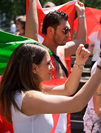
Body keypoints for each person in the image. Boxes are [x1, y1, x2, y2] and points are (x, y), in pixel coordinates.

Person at [0, 42, 101, 133]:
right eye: (48, 63)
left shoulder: (30, 91)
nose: (52, 67)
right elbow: (76, 104)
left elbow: (67, 89)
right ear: (34, 68)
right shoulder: (28, 98)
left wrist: (79, 63)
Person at [26, 0, 86, 132]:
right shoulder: (39, 51)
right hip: (45, 116)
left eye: (69, 30)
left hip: (63, 114)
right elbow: (31, 35)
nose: (68, 35)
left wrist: (81, 14)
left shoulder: (62, 50)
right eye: (65, 30)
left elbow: (81, 40)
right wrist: (31, 2)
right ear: (50, 30)